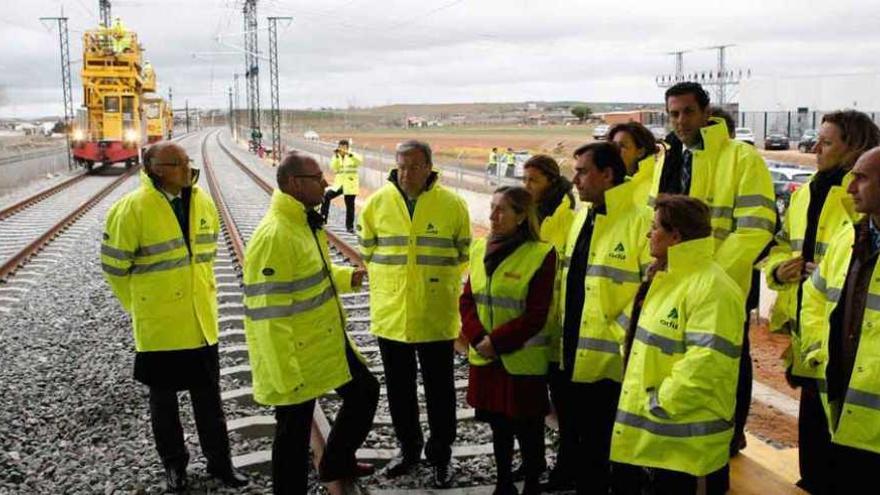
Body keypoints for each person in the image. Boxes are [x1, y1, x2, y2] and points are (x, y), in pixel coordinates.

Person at [100, 142, 247, 492]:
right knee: (164, 404)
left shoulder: (202, 202)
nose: (187, 168)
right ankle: (174, 466)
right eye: (178, 163)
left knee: (209, 400)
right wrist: (141, 307)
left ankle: (220, 464)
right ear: (156, 169)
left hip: (200, 323)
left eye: (186, 162)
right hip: (160, 326)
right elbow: (114, 268)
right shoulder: (131, 209)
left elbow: (204, 262)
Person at [651, 82, 775, 462]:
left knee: (727, 358)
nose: (681, 120)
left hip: (721, 283)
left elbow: (756, 226)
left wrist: (709, 275)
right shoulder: (668, 159)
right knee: (682, 357)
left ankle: (730, 434)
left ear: (707, 112)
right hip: (673, 281)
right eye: (673, 113)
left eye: (688, 111)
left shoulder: (741, 158)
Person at [242, 152, 380, 494]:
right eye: (317, 177)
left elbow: (310, 274)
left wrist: (348, 278)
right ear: (294, 184)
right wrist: (284, 372)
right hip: (296, 351)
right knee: (293, 430)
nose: (325, 183)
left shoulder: (302, 221)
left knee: (364, 391)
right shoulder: (275, 236)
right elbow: (267, 316)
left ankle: (336, 461)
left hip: (324, 338)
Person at [764, 110, 880, 493]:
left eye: (827, 142)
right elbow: (781, 244)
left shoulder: (854, 206)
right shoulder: (807, 192)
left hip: (855, 353)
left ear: (856, 147)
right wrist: (779, 271)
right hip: (813, 340)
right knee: (815, 445)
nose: (815, 148)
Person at [611, 195, 745, 495]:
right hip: (658, 440)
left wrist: (660, 402)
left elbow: (707, 364)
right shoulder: (667, 278)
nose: (648, 235)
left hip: (687, 450)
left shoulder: (713, 288)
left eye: (654, 227)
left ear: (675, 236)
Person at [357, 140, 471, 488]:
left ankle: (441, 456)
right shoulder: (377, 203)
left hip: (435, 315)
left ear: (429, 167)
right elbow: (367, 251)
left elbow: (463, 253)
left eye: (414, 166)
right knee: (399, 389)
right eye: (401, 166)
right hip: (392, 316)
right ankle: (408, 450)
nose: (406, 173)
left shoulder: (452, 204)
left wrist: (435, 283)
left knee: (440, 389)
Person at [559, 142, 652, 494]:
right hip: (574, 354)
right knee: (584, 450)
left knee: (615, 451)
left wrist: (620, 335)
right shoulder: (583, 216)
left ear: (608, 174)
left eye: (582, 171)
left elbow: (651, 294)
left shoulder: (640, 222)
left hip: (613, 363)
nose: (575, 179)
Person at [460, 186, 556, 495]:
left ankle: (531, 483)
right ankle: (503, 482)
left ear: (521, 216)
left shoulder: (541, 253)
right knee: (498, 425)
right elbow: (467, 300)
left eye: (501, 209)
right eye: (491, 207)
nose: (492, 216)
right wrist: (477, 337)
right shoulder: (479, 248)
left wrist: (495, 342)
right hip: (486, 357)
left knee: (528, 427)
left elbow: (536, 314)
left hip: (520, 359)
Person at [799, 146, 880, 493]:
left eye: (861, 178)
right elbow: (815, 296)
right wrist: (817, 346)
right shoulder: (849, 237)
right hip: (843, 400)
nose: (849, 189)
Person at [520, 154, 575, 489]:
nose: (526, 187)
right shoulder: (530, 212)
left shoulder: (568, 215)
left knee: (562, 402)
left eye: (533, 181)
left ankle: (564, 466)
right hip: (536, 319)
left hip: (558, 319)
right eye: (524, 180)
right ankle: (534, 464)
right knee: (531, 399)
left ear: (551, 182)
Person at [608, 122, 663, 206]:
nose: (615, 150)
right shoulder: (607, 183)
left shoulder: (655, 186)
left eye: (622, 146)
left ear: (640, 152)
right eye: (613, 145)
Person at [320, 139, 363, 233]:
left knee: (350, 206)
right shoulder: (337, 157)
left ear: (347, 147)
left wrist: (348, 153)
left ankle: (349, 227)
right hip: (340, 184)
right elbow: (333, 167)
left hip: (350, 185)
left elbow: (359, 161)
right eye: (340, 147)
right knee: (326, 196)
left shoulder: (352, 155)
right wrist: (336, 155)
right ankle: (323, 219)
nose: (341, 149)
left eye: (343, 147)